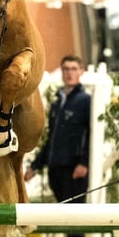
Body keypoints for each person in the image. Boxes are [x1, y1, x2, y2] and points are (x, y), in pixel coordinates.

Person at [25, 55, 91, 207]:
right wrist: (35, 166)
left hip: (74, 170)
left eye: (74, 69)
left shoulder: (85, 100)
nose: (69, 73)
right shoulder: (57, 103)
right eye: (66, 69)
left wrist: (84, 163)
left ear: (81, 71)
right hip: (55, 170)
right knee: (63, 218)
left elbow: (91, 134)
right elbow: (52, 139)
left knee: (75, 220)